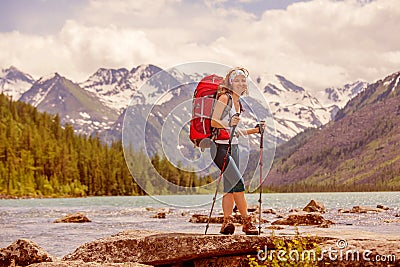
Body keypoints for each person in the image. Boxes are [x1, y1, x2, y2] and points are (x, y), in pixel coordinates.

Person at [210, 67, 264, 235]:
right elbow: (213, 122)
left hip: (234, 147)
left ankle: (227, 223)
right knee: (238, 183)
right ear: (230, 82)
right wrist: (229, 124)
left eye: (243, 80)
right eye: (237, 80)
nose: (240, 83)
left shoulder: (238, 102)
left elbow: (235, 131)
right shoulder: (224, 97)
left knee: (230, 187)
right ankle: (247, 222)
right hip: (220, 147)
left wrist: (255, 131)